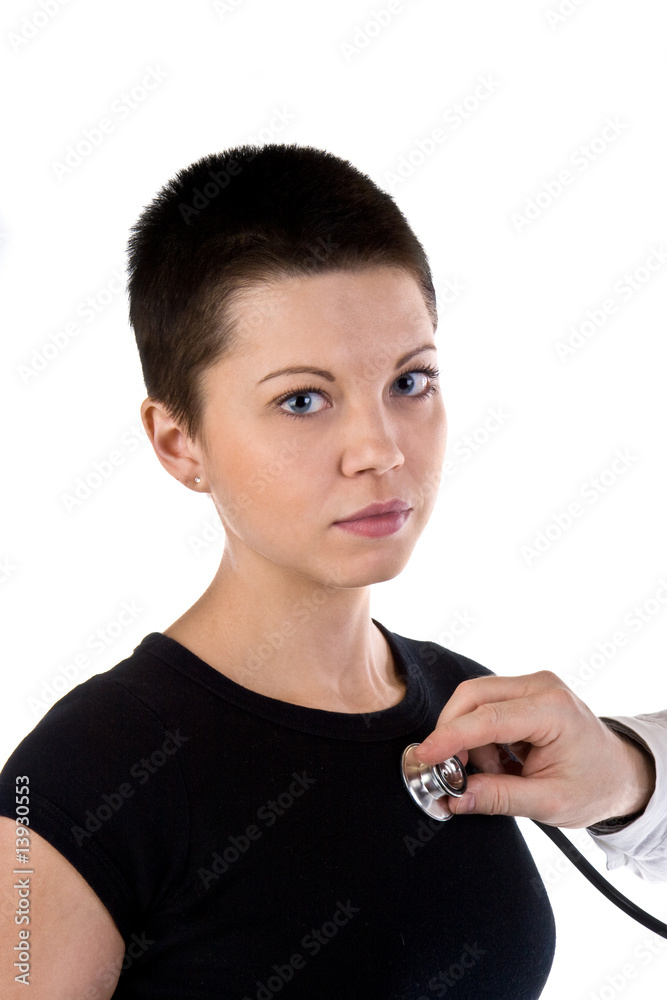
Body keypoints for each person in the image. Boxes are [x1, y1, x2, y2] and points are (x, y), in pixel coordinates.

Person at [0, 143, 657, 999]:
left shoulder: (471, 712)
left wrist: (628, 776)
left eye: (409, 382)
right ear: (178, 442)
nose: (379, 449)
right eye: (301, 400)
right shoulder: (74, 778)